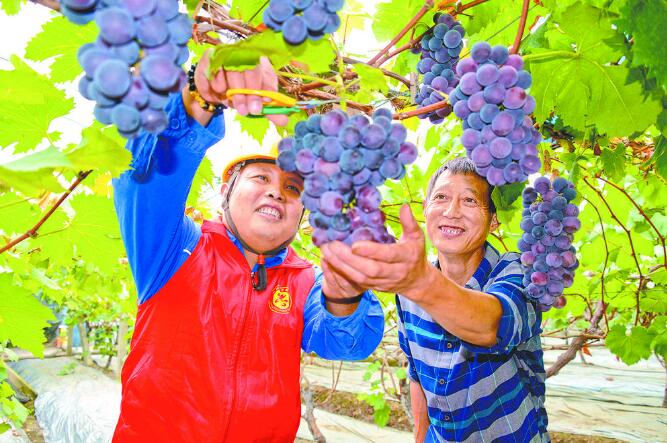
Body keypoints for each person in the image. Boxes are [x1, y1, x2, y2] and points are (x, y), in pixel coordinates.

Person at [111, 53, 384, 442]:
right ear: (226, 192)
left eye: (293, 187)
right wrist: (200, 101)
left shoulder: (306, 281)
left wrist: (346, 296)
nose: (277, 190)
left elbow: (348, 343)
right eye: (260, 177)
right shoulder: (174, 250)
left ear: (303, 212)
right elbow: (146, 178)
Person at [321, 157, 548, 442]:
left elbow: (492, 324)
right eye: (441, 197)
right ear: (426, 209)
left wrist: (422, 284)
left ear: (493, 221)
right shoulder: (409, 290)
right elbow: (416, 373)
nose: (452, 212)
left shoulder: (518, 273)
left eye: (469, 201)